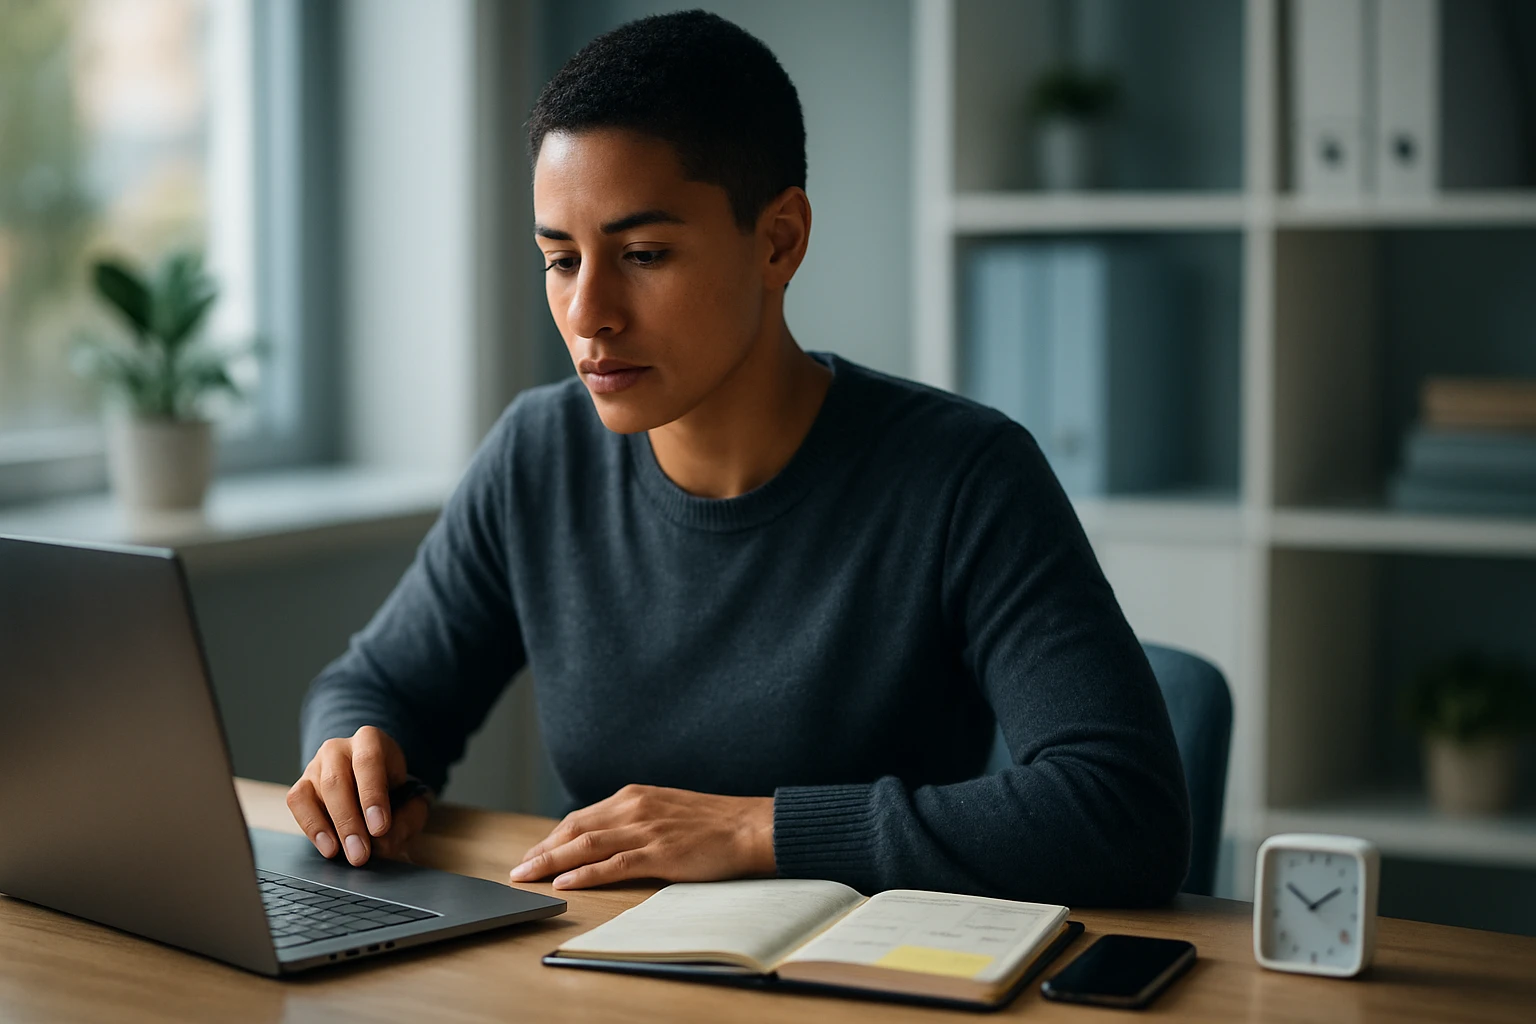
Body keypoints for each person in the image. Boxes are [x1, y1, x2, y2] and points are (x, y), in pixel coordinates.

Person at [290, 9, 1190, 906]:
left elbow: (1122, 808)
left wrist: (755, 829)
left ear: (779, 241)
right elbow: (376, 685)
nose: (588, 314)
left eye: (643, 253)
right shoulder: (539, 453)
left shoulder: (963, 475)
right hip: (586, 972)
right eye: (561, 261)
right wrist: (358, 760)